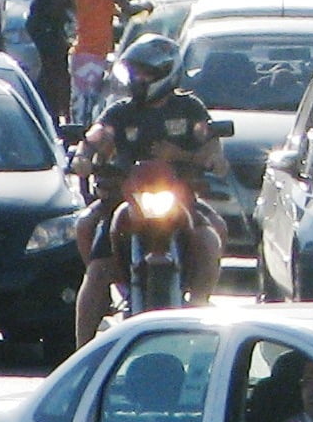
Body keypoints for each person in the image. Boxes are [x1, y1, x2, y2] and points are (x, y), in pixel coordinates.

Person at [70, 34, 224, 345]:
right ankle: (81, 349)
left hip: (179, 199)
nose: (140, 79)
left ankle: (199, 304)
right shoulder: (120, 111)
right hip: (124, 201)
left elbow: (214, 152)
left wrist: (183, 156)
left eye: (147, 73)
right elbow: (98, 134)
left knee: (211, 235)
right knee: (96, 264)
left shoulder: (189, 109)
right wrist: (83, 155)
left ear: (166, 73)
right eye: (136, 72)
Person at [70, 0, 137, 119]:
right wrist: (148, 5)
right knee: (88, 112)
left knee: (84, 107)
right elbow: (128, 9)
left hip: (85, 52)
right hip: (92, 55)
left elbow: (100, 5)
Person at [25, 0, 78, 122]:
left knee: (55, 68)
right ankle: (53, 112)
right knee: (55, 68)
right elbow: (56, 8)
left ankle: (54, 110)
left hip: (48, 26)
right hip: (43, 27)